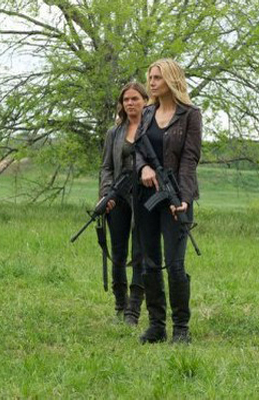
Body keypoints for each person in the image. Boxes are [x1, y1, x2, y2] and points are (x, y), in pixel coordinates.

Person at [134, 59, 202, 344]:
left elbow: (189, 158)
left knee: (175, 264)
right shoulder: (147, 113)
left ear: (171, 80)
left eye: (157, 78)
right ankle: (156, 325)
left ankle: (181, 328)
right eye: (150, 77)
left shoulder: (190, 115)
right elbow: (137, 149)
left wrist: (183, 198)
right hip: (146, 196)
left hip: (176, 197)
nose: (151, 83)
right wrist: (143, 168)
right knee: (149, 262)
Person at [99, 82, 148, 325]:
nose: (130, 103)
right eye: (126, 99)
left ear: (145, 101)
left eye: (135, 98)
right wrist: (106, 194)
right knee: (118, 253)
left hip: (144, 197)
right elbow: (106, 166)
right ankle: (120, 304)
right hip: (118, 196)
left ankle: (134, 309)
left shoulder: (152, 128)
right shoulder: (114, 133)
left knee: (140, 252)